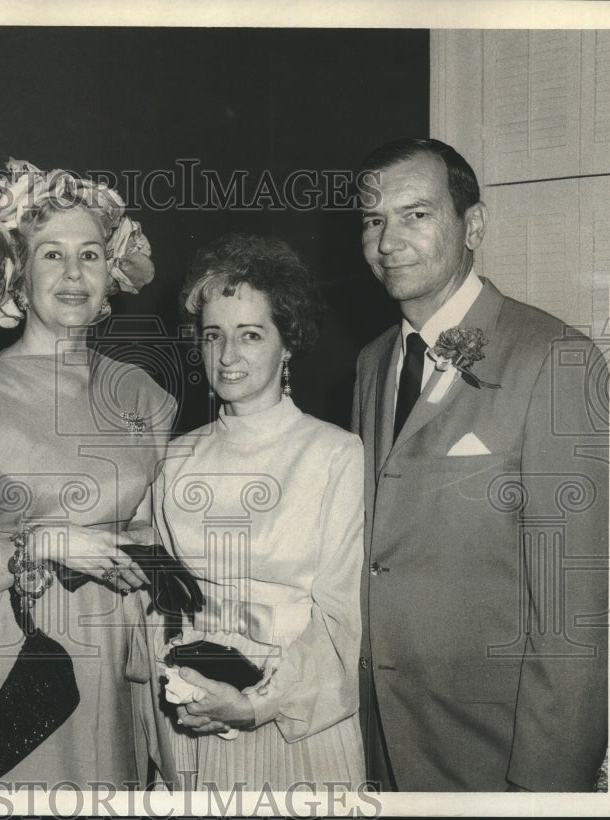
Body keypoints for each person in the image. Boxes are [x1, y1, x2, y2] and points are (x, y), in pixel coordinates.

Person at [352, 137, 608, 791]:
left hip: (494, 761)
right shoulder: (373, 361)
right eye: (373, 220)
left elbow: (571, 614)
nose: (389, 241)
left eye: (416, 215)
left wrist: (547, 791)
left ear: (475, 226)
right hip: (383, 747)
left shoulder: (553, 358)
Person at [0, 161, 176, 787]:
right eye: (52, 255)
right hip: (24, 670)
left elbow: (164, 542)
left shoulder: (144, 394)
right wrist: (42, 542)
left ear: (113, 274)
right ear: (16, 272)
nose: (74, 275)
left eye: (92, 255)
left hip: (123, 665)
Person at [149, 233, 365, 791]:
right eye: (213, 336)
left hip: (300, 722)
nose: (228, 356)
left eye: (250, 335)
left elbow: (345, 621)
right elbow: (159, 601)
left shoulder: (337, 455)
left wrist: (254, 705)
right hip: (194, 722)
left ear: (287, 342)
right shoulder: (176, 456)